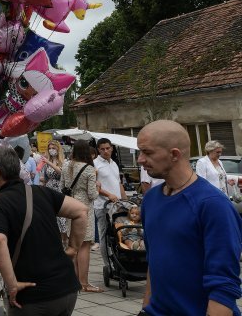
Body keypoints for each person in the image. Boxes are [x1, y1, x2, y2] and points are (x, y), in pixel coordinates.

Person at [137, 120, 242, 315]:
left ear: (175, 154)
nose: (140, 159)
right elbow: (155, 261)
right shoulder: (151, 199)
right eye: (139, 152)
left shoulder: (213, 205)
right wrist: (146, 307)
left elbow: (223, 286)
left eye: (147, 152)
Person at [0, 145, 87, 315]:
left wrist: (11, 284)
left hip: (34, 298)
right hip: (67, 288)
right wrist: (72, 249)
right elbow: (81, 211)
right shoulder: (41, 192)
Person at [62, 140, 100, 293]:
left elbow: (61, 187)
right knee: (84, 245)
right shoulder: (89, 169)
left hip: (70, 207)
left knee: (73, 245)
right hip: (85, 209)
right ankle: (84, 283)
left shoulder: (66, 166)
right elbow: (92, 194)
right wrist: (98, 188)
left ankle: (74, 280)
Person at [93, 138, 125, 272]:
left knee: (119, 234)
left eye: (108, 148)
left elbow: (118, 183)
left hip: (117, 206)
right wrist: (108, 195)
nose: (106, 151)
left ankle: (120, 261)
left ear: (112, 148)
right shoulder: (94, 164)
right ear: (98, 150)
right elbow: (94, 186)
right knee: (104, 236)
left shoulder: (114, 163)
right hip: (102, 205)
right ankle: (108, 265)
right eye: (102, 149)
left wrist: (125, 200)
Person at [39, 140, 67, 246]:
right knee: (52, 215)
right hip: (49, 190)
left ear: (58, 149)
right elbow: (45, 178)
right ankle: (56, 240)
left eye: (53, 148)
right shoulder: (47, 163)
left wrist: (48, 162)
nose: (51, 150)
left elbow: (62, 173)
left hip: (60, 190)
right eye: (50, 148)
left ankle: (64, 240)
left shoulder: (63, 162)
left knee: (62, 216)